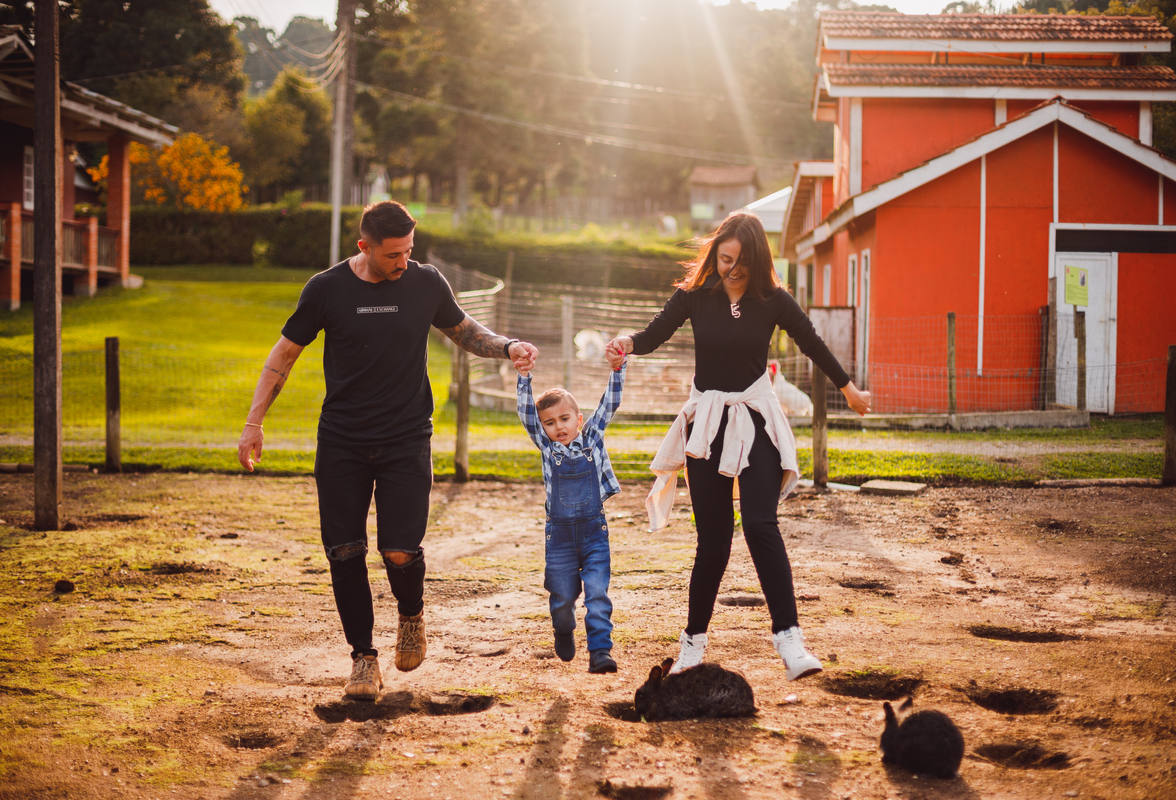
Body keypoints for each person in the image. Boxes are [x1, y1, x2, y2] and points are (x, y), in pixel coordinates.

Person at [237, 200, 538, 701]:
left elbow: (464, 331)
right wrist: (254, 422)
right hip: (342, 441)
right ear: (364, 247)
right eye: (393, 255)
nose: (403, 262)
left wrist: (507, 347)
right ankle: (362, 660)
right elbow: (283, 356)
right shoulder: (326, 289)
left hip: (405, 437)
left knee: (399, 550)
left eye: (408, 252)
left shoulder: (425, 282)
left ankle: (411, 615)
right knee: (344, 551)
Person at [605, 211, 871, 681]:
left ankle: (790, 643)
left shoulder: (772, 300)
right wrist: (625, 341)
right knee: (714, 542)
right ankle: (692, 646)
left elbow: (811, 342)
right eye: (724, 259)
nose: (730, 270)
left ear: (757, 260)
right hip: (707, 424)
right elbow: (652, 334)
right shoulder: (694, 297)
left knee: (761, 526)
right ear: (715, 254)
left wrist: (847, 387)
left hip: (755, 421)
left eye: (740, 262)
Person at [515, 360, 625, 674]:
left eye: (565, 419)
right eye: (549, 423)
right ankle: (563, 628)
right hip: (560, 537)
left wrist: (618, 369)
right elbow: (526, 415)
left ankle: (600, 651)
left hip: (593, 532)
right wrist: (525, 377)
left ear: (579, 419)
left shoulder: (592, 437)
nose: (559, 427)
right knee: (562, 596)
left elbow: (610, 402)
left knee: (597, 592)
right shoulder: (549, 449)